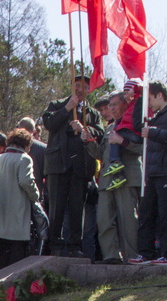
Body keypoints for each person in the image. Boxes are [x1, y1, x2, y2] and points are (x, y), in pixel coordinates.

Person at [42, 75, 102, 256]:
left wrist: (84, 128)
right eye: (77, 85)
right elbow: (49, 123)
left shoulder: (93, 113)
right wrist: (67, 108)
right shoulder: (57, 105)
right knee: (56, 207)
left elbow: (99, 132)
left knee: (77, 208)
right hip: (59, 165)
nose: (80, 89)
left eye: (84, 86)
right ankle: (55, 244)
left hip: (81, 167)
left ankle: (76, 245)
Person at [132, 82, 167, 265]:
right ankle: (145, 253)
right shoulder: (153, 117)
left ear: (159, 96)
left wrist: (154, 132)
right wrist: (139, 97)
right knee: (146, 213)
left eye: (149, 98)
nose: (148, 103)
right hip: (153, 172)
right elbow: (136, 124)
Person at [91, 92, 143, 264]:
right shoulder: (109, 128)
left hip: (127, 177)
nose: (111, 108)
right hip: (107, 180)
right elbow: (101, 153)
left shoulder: (133, 124)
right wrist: (88, 142)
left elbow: (143, 149)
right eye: (109, 105)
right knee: (104, 219)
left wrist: (122, 141)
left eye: (114, 104)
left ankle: (132, 256)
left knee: (128, 219)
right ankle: (111, 255)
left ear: (125, 104)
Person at [0, 128, 41, 269]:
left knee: (0, 260)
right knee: (15, 262)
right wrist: (35, 195)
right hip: (17, 217)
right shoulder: (24, 159)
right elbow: (25, 181)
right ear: (26, 144)